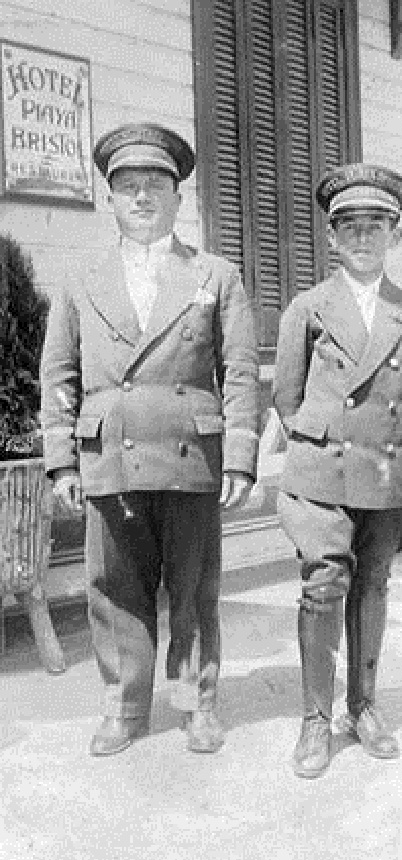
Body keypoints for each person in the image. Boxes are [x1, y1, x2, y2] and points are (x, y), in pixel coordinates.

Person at [40, 124, 261, 756]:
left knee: (192, 590)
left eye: (156, 184)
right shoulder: (81, 278)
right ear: (109, 199)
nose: (142, 197)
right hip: (109, 455)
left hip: (190, 456)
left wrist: (240, 456)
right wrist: (61, 463)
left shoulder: (214, 276)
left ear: (178, 198)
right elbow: (59, 373)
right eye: (127, 186)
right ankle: (124, 706)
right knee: (115, 590)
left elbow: (240, 370)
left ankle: (196, 703)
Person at [273, 163, 402, 778]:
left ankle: (362, 707)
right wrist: (331, 439)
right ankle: (316, 720)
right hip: (322, 471)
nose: (363, 238)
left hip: (384, 471)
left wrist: (386, 447)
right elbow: (287, 397)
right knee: (323, 585)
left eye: (376, 226)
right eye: (349, 227)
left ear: (395, 235)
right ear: (332, 239)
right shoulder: (309, 308)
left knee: (372, 587)